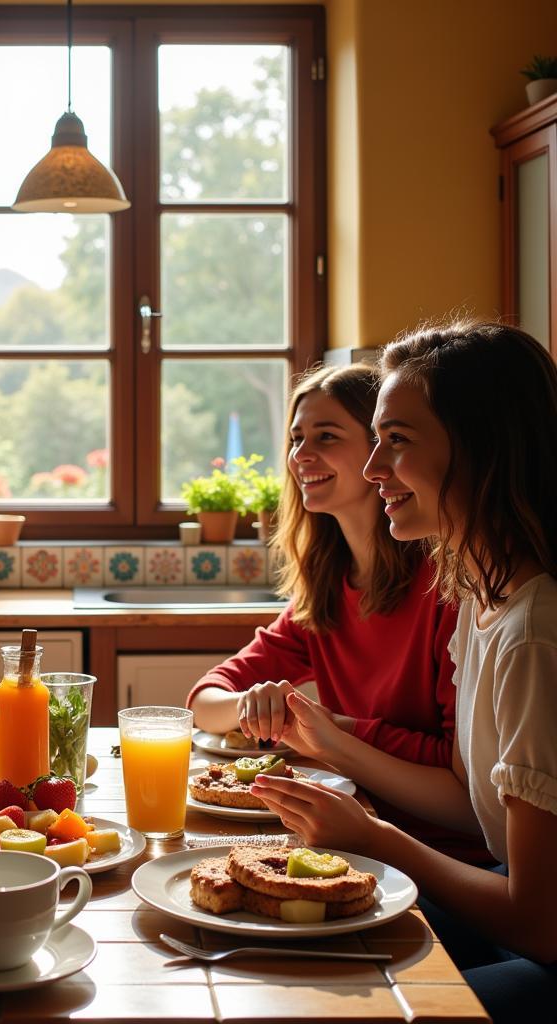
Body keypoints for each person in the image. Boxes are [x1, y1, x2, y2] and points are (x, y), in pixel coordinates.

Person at [253, 322, 557, 1021]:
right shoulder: (481, 600)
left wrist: (376, 840)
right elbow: (466, 801)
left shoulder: (534, 634)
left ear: (480, 449)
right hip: (503, 893)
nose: (372, 469)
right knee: (288, 958)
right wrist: (332, 747)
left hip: (541, 944)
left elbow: (539, 924)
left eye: (398, 441)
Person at [188, 364, 489, 863]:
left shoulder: (448, 590)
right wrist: (258, 704)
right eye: (295, 438)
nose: (301, 456)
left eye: (326, 437)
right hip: (359, 833)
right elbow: (203, 699)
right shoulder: (327, 589)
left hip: (443, 858)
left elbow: (460, 775)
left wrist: (334, 729)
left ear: (379, 451)